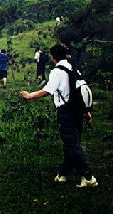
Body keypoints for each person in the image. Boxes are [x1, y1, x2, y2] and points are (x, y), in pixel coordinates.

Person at [20, 44, 98, 188]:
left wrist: (30, 95)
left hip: (66, 111)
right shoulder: (73, 68)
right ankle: (63, 173)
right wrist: (86, 110)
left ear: (53, 58)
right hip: (77, 110)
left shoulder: (57, 71)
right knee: (71, 143)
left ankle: (88, 176)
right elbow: (80, 89)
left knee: (72, 144)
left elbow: (48, 90)